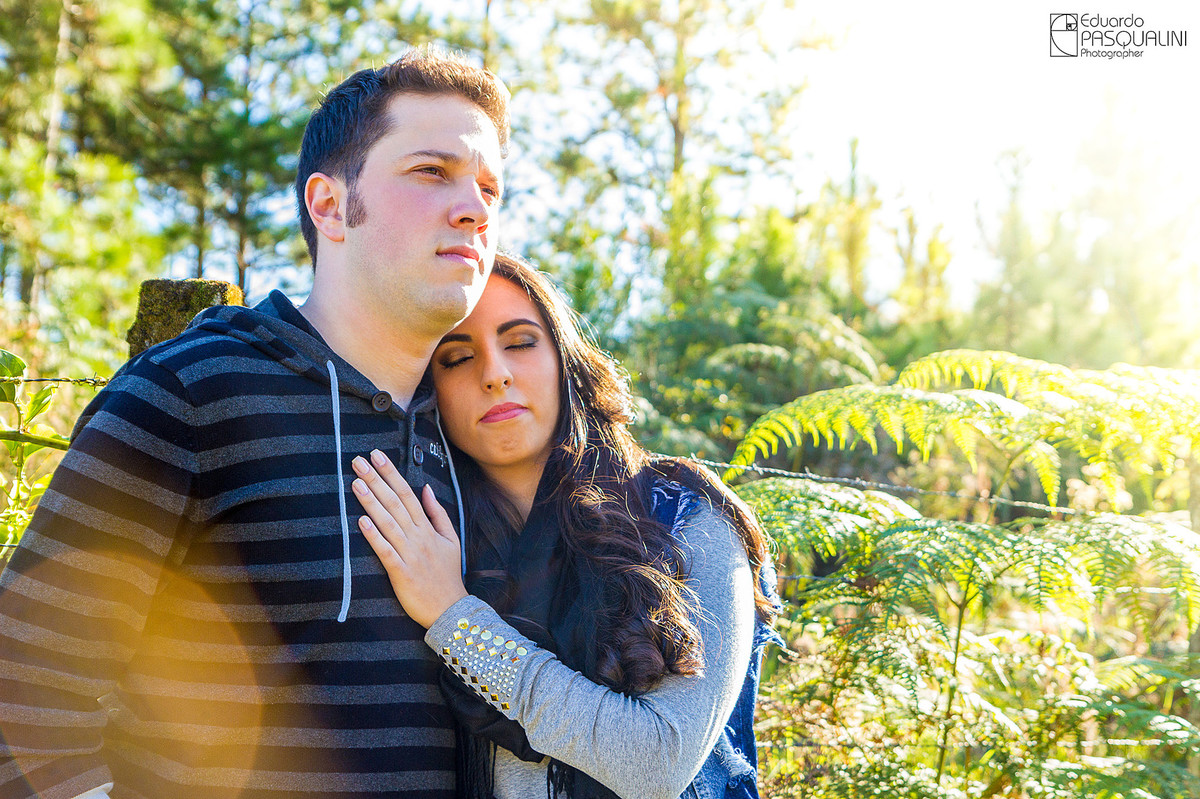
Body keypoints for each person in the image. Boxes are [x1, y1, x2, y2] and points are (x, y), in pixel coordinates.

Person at [0, 48, 508, 799]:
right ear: (329, 206)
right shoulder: (191, 393)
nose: (474, 207)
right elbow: (25, 696)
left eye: (490, 187)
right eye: (432, 171)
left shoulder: (479, 436)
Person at [349, 254, 782, 799]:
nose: (495, 374)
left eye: (520, 342)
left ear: (565, 361)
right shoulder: (441, 547)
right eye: (457, 357)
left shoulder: (686, 519)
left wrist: (454, 618)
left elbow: (657, 764)